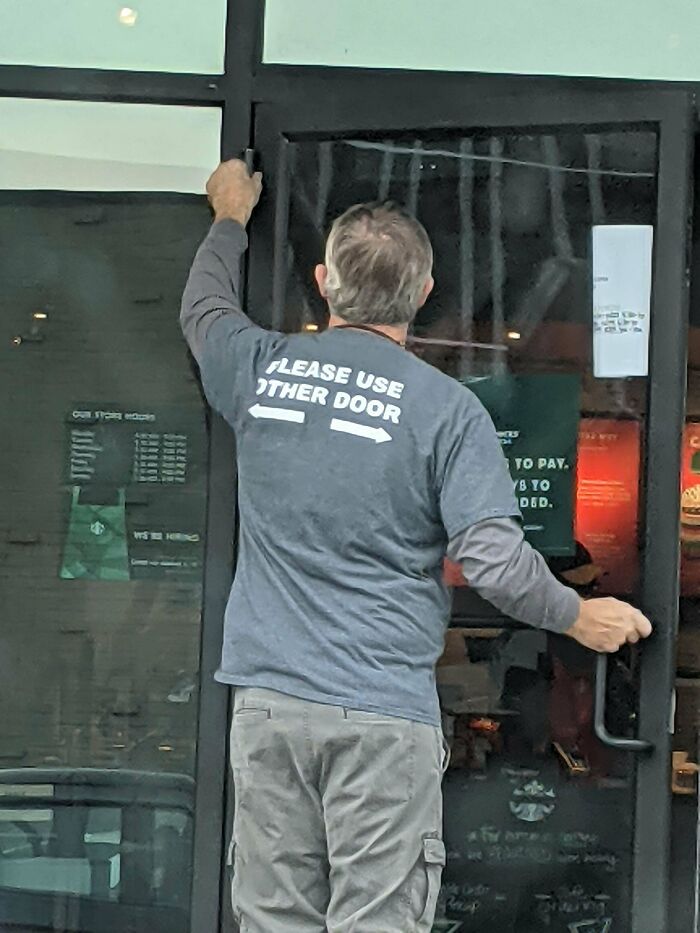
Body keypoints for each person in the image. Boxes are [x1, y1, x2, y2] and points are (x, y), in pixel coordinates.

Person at [180, 159, 652, 933]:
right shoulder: (448, 411)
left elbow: (203, 309)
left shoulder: (260, 368)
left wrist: (230, 216)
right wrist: (577, 615)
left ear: (325, 281)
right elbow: (494, 560)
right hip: (380, 717)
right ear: (424, 293)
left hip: (269, 706)